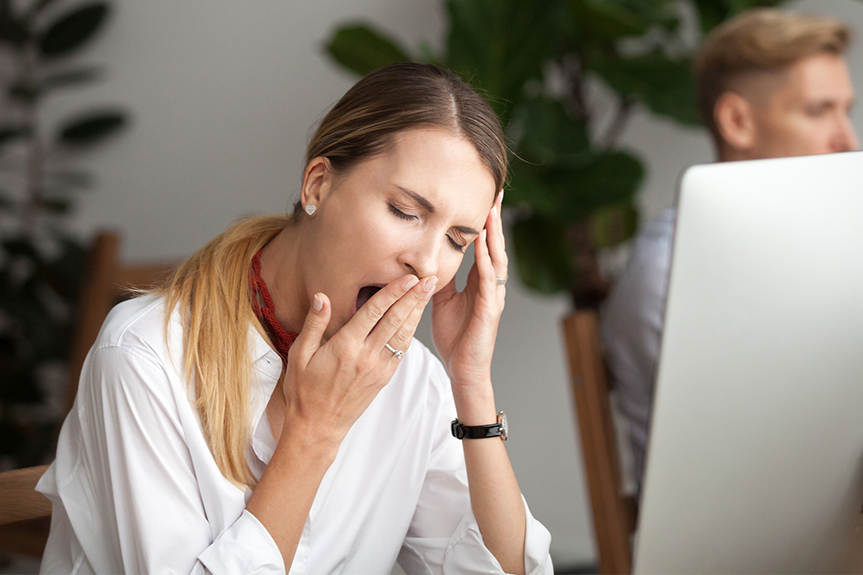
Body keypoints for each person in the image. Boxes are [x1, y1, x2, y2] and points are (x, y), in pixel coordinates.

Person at [36, 63, 553, 574]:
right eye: (404, 211)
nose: (426, 261)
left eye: (456, 240)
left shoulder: (414, 379)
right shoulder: (143, 357)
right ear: (318, 186)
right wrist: (314, 433)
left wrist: (471, 381)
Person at [600, 8, 858, 494]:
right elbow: (767, 464)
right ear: (738, 121)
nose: (847, 140)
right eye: (819, 110)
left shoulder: (831, 253)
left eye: (848, 111)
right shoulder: (671, 274)